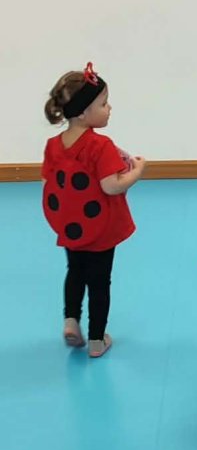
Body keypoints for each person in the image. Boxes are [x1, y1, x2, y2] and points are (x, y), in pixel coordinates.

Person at [41, 62, 146, 358]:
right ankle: (97, 340)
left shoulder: (53, 145)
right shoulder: (100, 146)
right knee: (100, 283)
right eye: (103, 103)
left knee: (75, 271)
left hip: (71, 227)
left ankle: (70, 320)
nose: (109, 108)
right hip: (101, 231)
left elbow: (48, 184)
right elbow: (112, 186)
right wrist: (138, 172)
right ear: (83, 112)